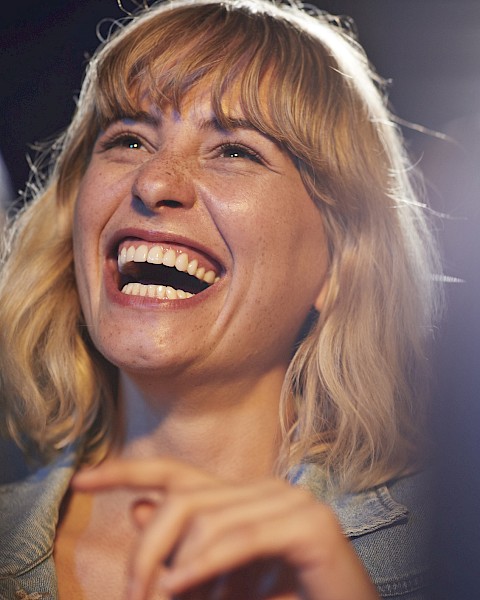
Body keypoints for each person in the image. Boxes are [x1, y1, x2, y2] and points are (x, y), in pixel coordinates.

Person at [0, 1, 442, 598]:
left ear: (340, 264)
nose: (154, 182)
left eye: (235, 151)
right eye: (128, 139)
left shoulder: (447, 552)